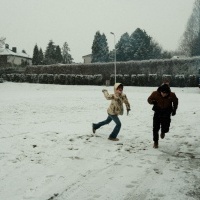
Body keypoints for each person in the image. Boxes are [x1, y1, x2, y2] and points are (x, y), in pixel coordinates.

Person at [147, 84, 178, 148]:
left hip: (167, 112)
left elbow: (175, 102)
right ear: (160, 91)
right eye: (162, 93)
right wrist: (153, 102)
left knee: (166, 127)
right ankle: (156, 142)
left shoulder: (172, 95)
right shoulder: (155, 93)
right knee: (155, 128)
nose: (163, 94)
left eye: (165, 93)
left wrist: (174, 110)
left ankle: (163, 131)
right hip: (158, 112)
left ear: (168, 92)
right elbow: (149, 99)